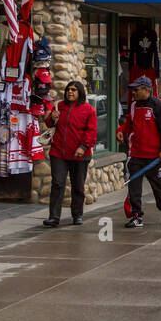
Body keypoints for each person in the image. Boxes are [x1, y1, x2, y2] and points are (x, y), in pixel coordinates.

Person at [116, 77, 161, 228]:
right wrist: (122, 131)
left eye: (136, 90)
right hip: (136, 154)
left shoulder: (159, 106)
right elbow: (129, 122)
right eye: (132, 90)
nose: (133, 93)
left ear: (147, 90)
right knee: (134, 188)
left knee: (160, 187)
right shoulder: (134, 105)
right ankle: (136, 216)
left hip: (154, 156)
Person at [44, 80, 97, 227]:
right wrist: (52, 117)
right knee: (57, 184)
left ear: (80, 92)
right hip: (59, 152)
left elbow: (91, 132)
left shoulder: (88, 110)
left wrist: (83, 147)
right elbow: (49, 124)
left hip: (79, 154)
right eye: (68, 90)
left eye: (74, 90)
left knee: (78, 186)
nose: (70, 92)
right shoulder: (59, 106)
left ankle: (77, 214)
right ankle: (54, 217)